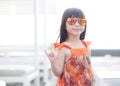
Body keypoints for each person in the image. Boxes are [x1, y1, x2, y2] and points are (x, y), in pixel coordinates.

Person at [45, 8, 96, 86]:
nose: (77, 24)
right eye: (72, 21)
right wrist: (53, 62)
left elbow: (89, 70)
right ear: (64, 25)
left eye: (81, 21)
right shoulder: (64, 48)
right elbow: (58, 73)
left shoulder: (86, 47)